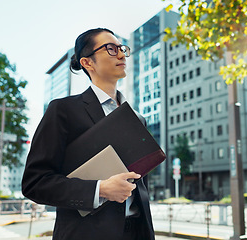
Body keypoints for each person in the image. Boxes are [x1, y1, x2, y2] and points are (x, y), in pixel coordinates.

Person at [22, 27, 154, 240]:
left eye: (122, 48)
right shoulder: (63, 110)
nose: (121, 54)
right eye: (110, 49)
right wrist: (100, 189)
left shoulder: (138, 119)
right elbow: (35, 184)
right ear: (87, 62)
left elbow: (141, 187)